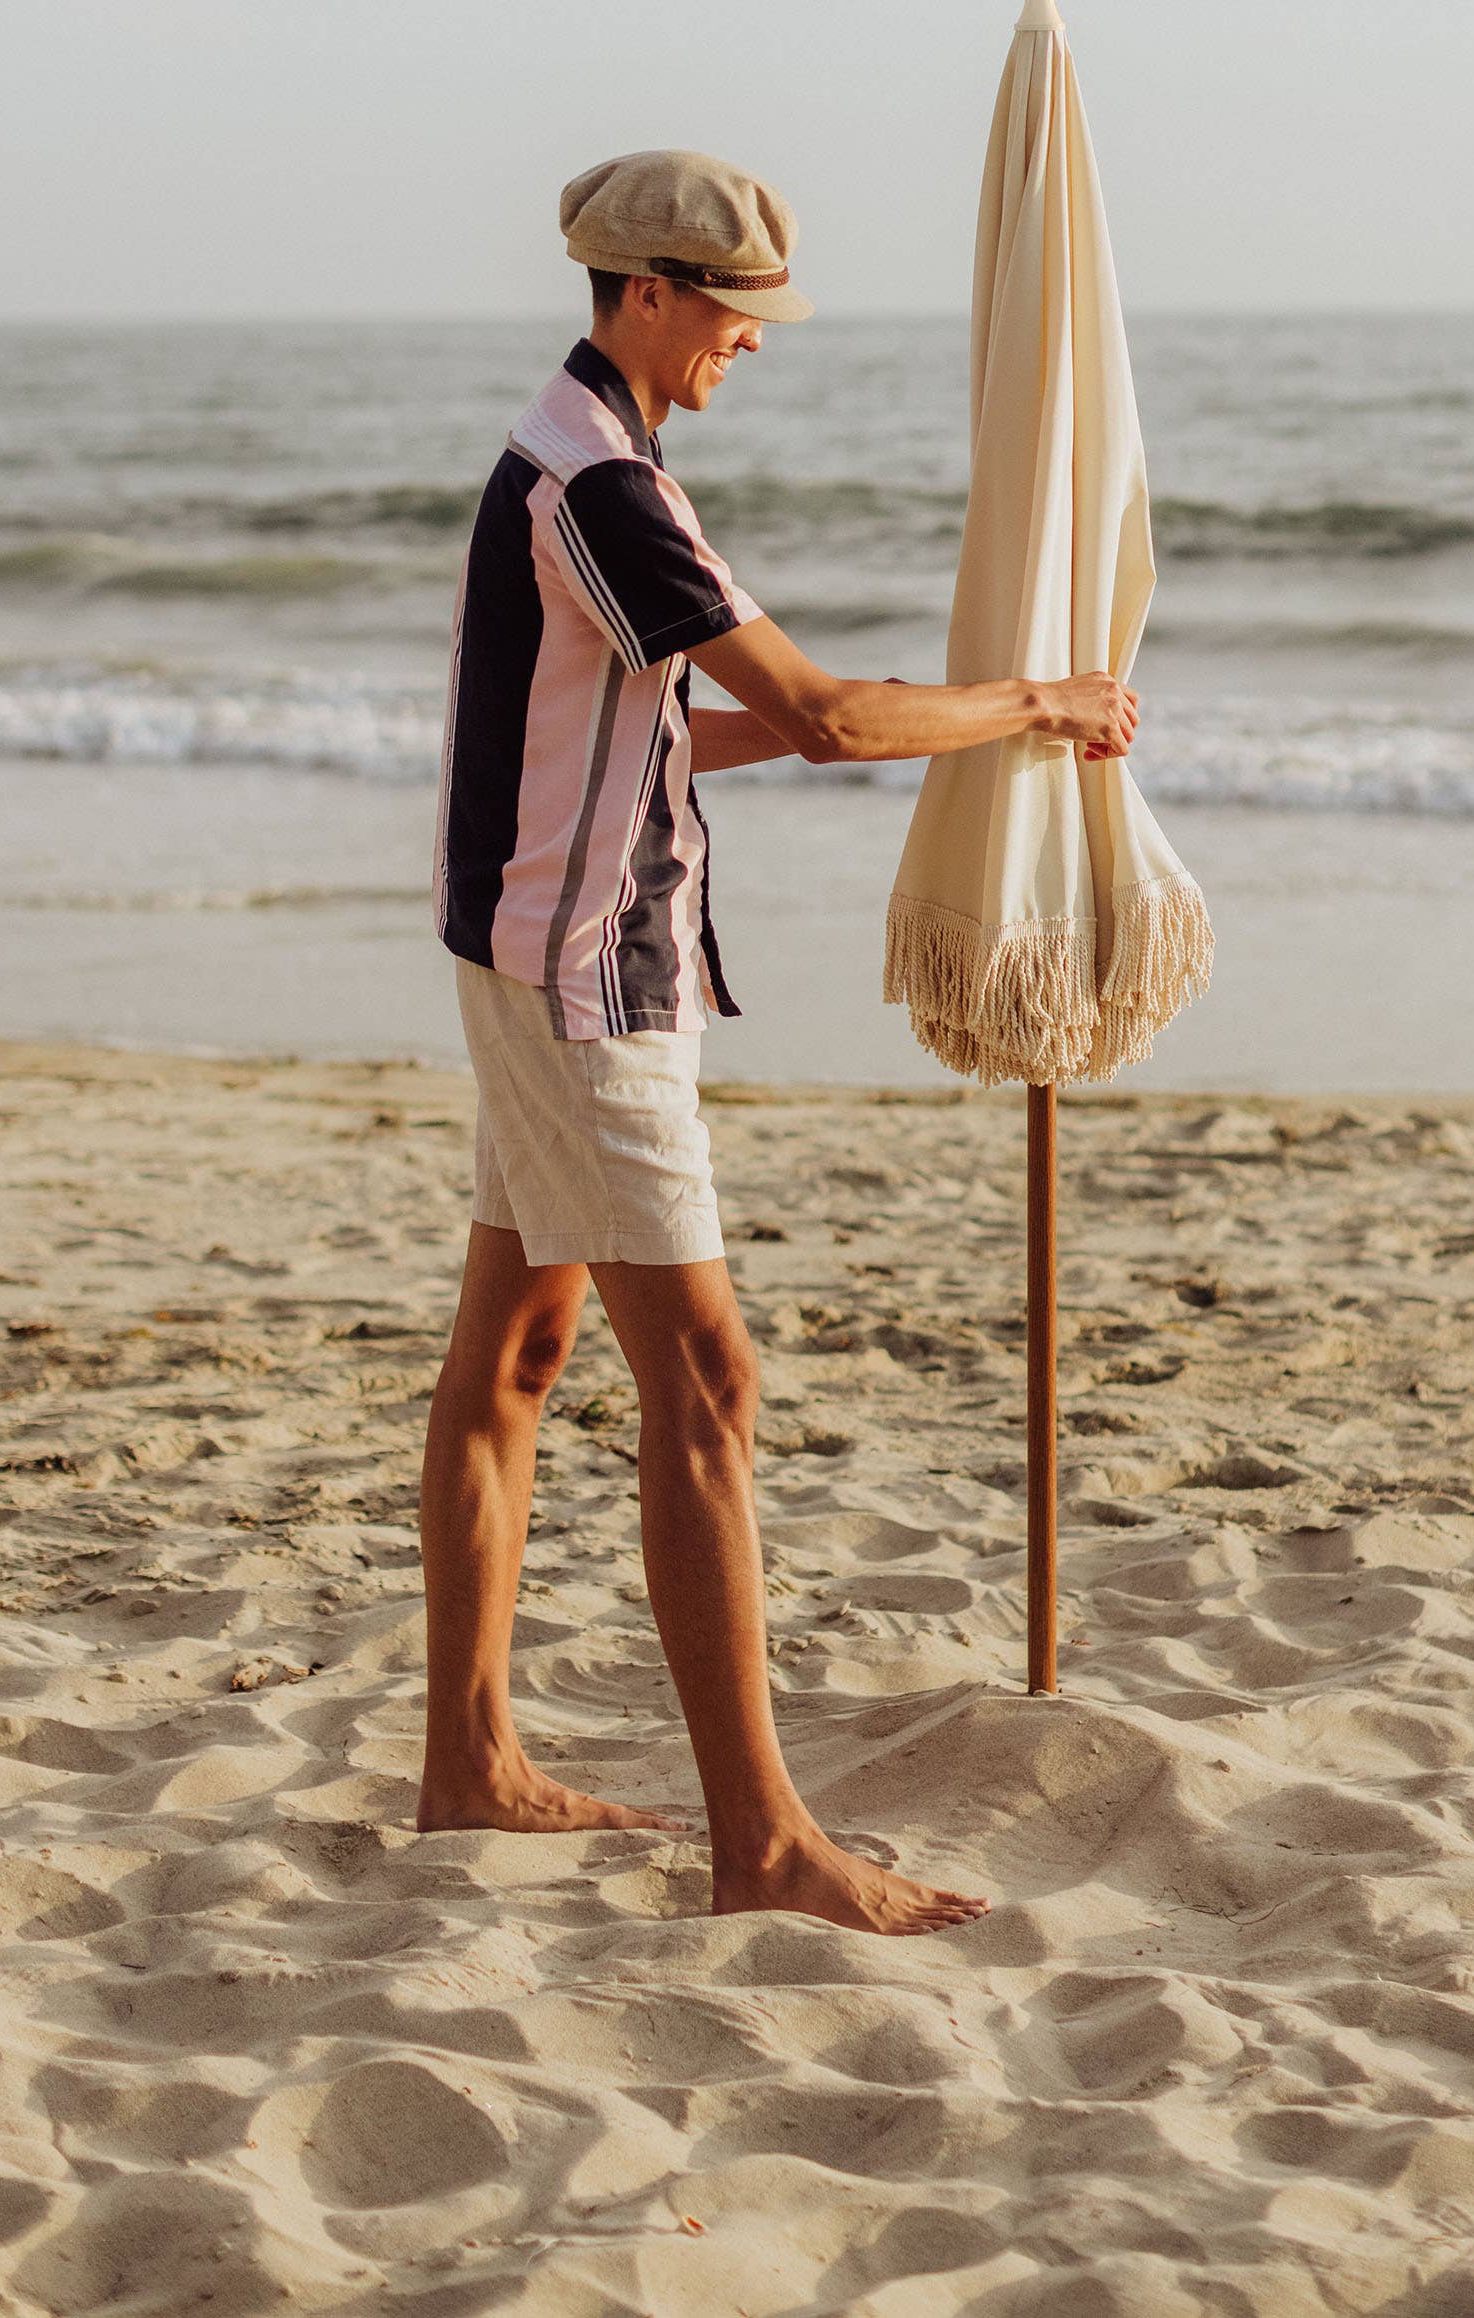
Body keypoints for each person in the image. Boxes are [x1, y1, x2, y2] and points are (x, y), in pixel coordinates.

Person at [419, 148, 1138, 1935]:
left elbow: (653, 738)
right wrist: (1037, 704)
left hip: (534, 952)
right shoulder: (602, 486)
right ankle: (764, 1844)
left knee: (515, 1355)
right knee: (711, 1385)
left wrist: (951, 723)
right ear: (646, 292)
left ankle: (468, 1763)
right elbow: (813, 717)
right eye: (735, 312)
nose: (752, 341)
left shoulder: (587, 460)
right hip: (583, 977)